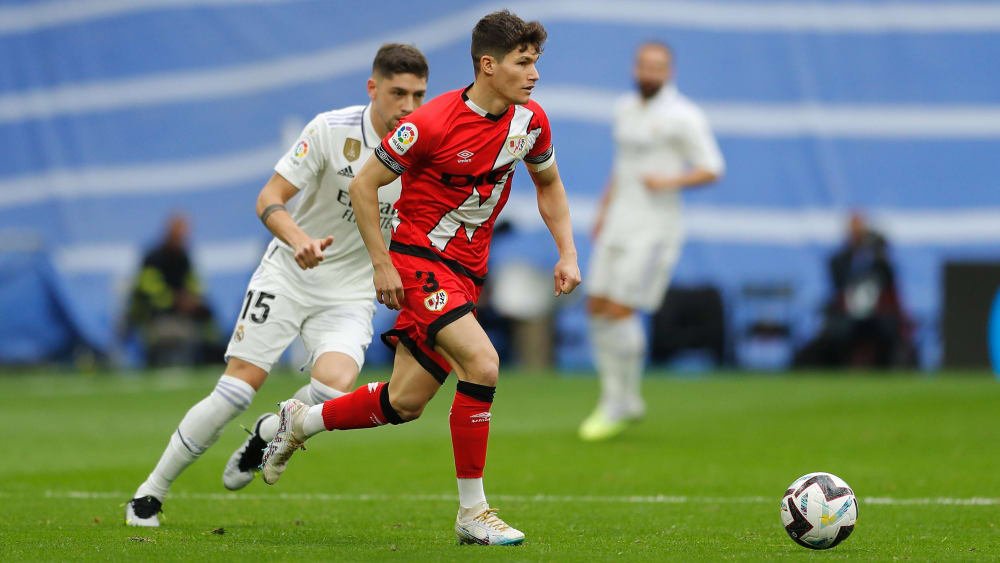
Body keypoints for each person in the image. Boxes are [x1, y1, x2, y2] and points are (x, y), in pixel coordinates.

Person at [258, 10, 581, 546]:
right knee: (483, 362)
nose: (534, 74)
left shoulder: (531, 121)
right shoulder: (430, 123)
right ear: (488, 65)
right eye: (524, 63)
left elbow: (549, 185)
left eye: (535, 63)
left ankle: (300, 422)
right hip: (418, 261)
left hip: (466, 272)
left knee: (404, 402)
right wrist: (383, 264)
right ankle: (473, 513)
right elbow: (365, 186)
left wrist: (567, 251)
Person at [124, 44, 430, 527]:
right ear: (373, 89)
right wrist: (300, 239)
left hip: (349, 292)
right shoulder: (330, 131)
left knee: (334, 391)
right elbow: (270, 197)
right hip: (290, 273)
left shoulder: (424, 146)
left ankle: (269, 431)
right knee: (236, 392)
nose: (409, 107)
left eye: (418, 95)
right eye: (398, 93)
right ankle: (150, 493)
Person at [579, 41, 725, 442]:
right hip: (618, 223)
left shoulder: (684, 116)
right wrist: (605, 209)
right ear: (636, 67)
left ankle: (618, 400)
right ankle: (621, 400)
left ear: (669, 71)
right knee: (595, 305)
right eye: (644, 65)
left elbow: (713, 168)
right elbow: (621, 166)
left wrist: (670, 181)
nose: (649, 72)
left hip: (655, 229)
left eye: (657, 67)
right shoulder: (624, 108)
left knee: (621, 310)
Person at [794, 212, 913, 368]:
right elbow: (839, 284)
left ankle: (884, 367)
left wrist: (878, 253)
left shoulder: (878, 261)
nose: (857, 236)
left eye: (860, 232)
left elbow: (888, 281)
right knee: (836, 332)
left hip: (876, 314)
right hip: (846, 314)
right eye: (854, 232)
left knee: (889, 329)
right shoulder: (838, 260)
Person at [125, 213, 220, 367]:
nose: (182, 238)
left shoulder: (184, 258)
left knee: (208, 311)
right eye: (179, 233)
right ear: (168, 233)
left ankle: (213, 354)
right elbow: (149, 291)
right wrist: (177, 301)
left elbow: (194, 284)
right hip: (156, 316)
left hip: (181, 315)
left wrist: (194, 299)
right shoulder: (153, 258)